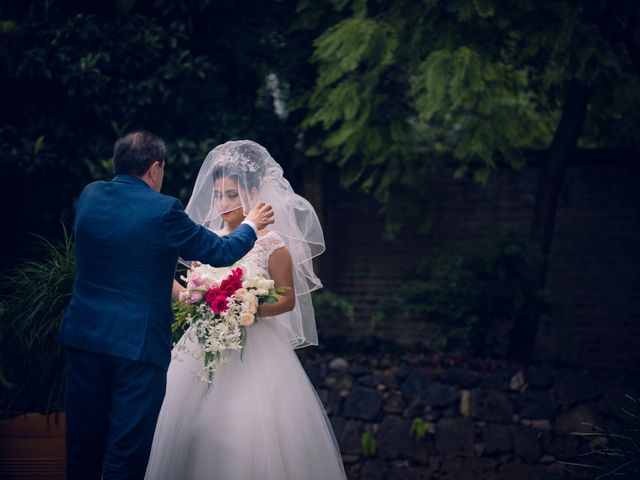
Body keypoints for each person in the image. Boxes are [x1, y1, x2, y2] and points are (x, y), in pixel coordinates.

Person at [59, 131, 275, 480]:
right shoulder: (163, 210)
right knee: (124, 456)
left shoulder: (89, 197)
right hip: (137, 349)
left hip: (84, 339)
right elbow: (221, 252)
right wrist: (251, 225)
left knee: (82, 452)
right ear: (155, 168)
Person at [144, 140, 347, 480]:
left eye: (232, 195)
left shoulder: (272, 244)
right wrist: (180, 287)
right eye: (218, 194)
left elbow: (286, 300)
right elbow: (188, 294)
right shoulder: (204, 240)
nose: (222, 203)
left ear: (253, 194)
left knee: (249, 432)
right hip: (202, 350)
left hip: (257, 350)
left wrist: (245, 307)